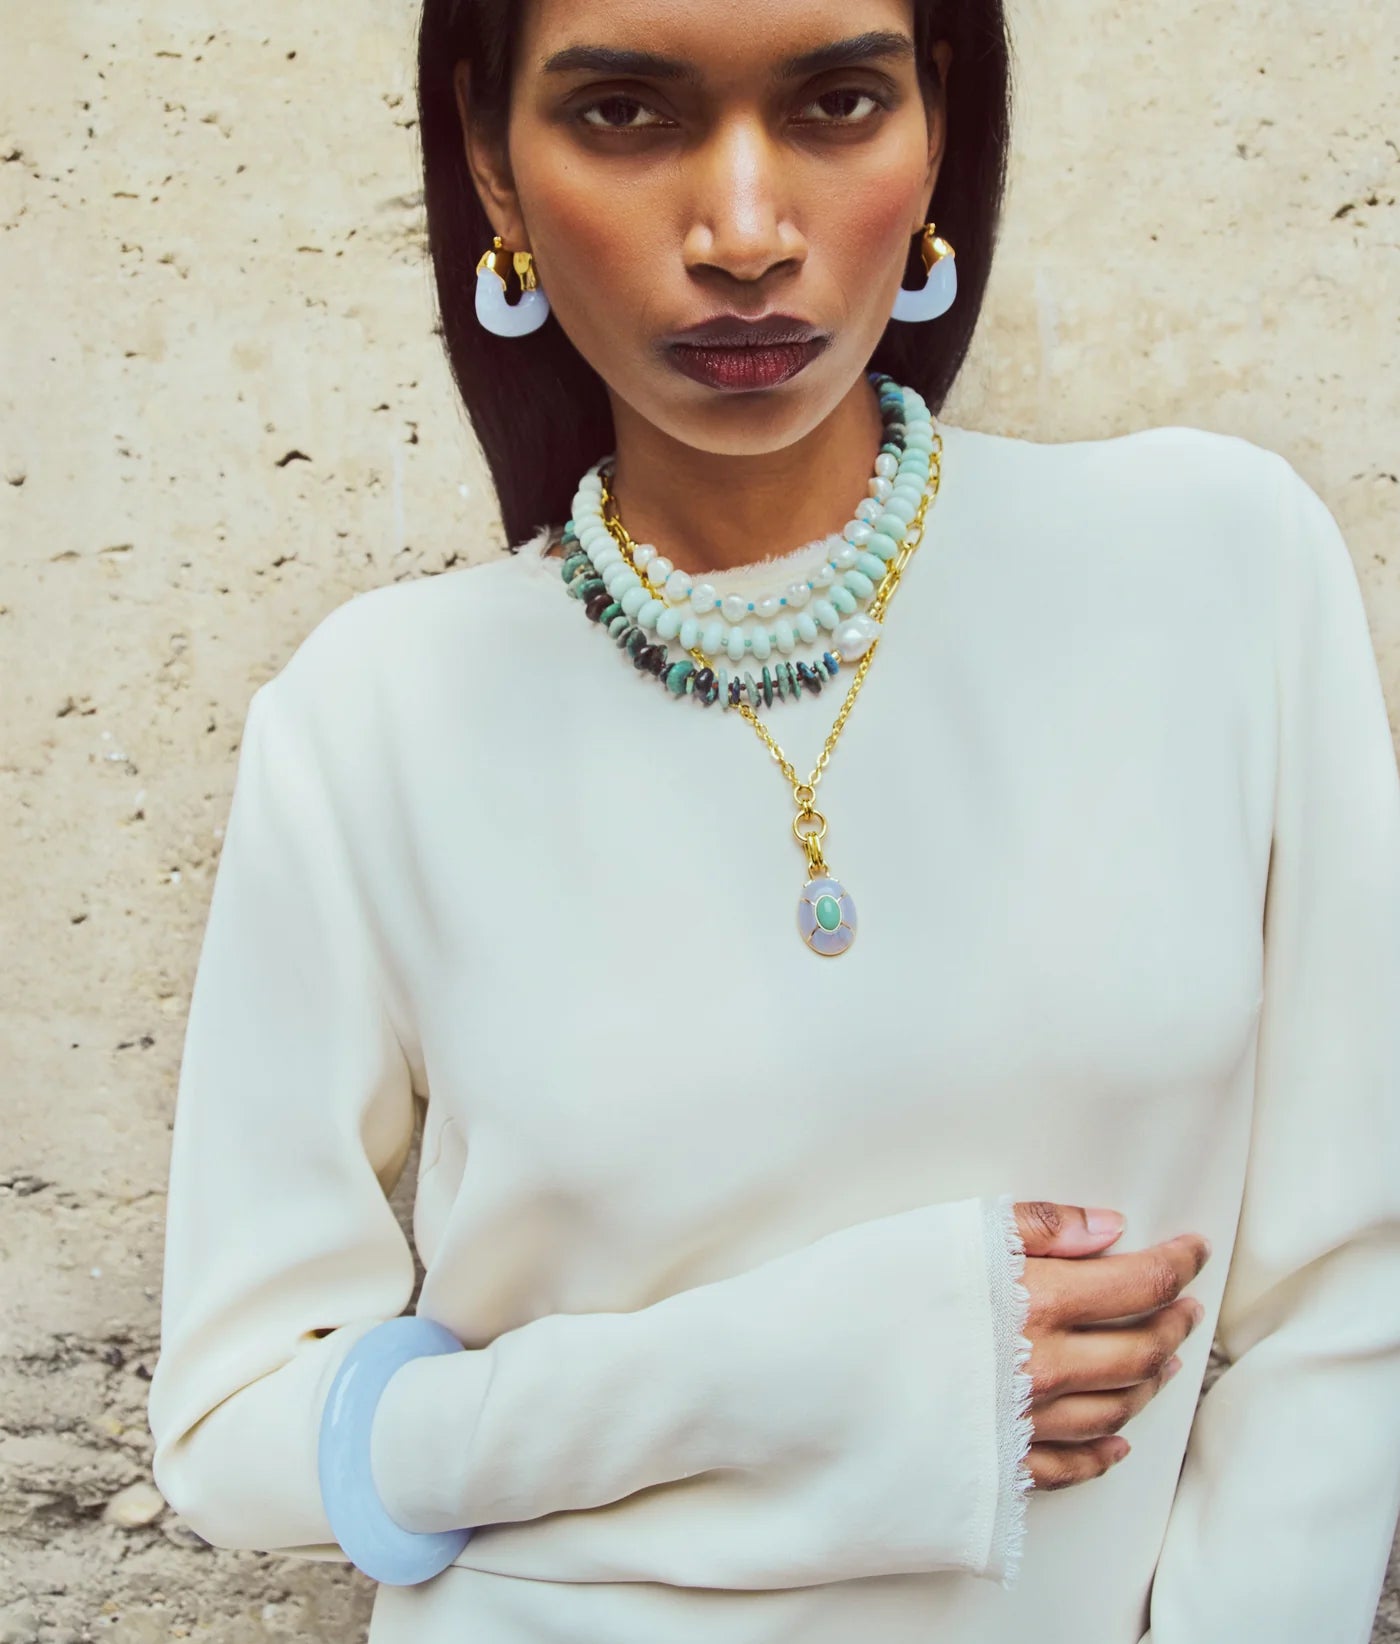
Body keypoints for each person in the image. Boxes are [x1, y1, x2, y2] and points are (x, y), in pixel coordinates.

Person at [145, 2, 1400, 1641]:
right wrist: (783, 1374)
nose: (744, 233)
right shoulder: (370, 718)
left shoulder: (1218, 568)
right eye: (624, 113)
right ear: (490, 164)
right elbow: (234, 1428)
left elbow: (1354, 1294)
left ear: (936, 124)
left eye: (836, 103)